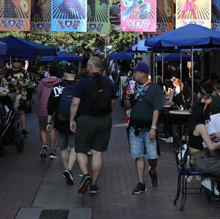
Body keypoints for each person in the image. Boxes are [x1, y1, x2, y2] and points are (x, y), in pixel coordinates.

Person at [185, 99, 220, 209]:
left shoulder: (193, 124)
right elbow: (211, 146)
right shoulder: (201, 126)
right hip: (201, 159)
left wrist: (217, 135)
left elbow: (200, 138)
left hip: (197, 157)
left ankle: (211, 180)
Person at [69, 56, 114, 195]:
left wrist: (72, 119)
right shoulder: (109, 82)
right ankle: (94, 185)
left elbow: (75, 103)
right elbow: (113, 103)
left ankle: (85, 174)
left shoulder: (82, 83)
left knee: (81, 150)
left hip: (85, 119)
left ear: (89, 67)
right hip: (104, 120)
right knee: (97, 152)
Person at [123, 62, 164, 195]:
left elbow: (157, 109)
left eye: (136, 72)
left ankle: (152, 170)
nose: (134, 74)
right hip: (135, 127)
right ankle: (141, 183)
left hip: (148, 127)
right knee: (138, 155)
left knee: (152, 157)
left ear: (143, 74)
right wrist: (128, 95)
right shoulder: (132, 86)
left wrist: (153, 127)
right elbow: (128, 106)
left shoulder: (154, 88)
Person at [47, 69, 78, 185]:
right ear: (75, 76)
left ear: (65, 75)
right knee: (74, 146)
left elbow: (50, 106)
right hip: (74, 121)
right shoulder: (78, 87)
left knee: (63, 147)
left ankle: (66, 168)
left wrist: (49, 123)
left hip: (60, 121)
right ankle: (69, 169)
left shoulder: (57, 87)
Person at [35, 65, 61, 159]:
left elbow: (38, 96)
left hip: (42, 108)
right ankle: (52, 151)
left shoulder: (42, 82)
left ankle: (44, 144)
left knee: (42, 128)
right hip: (54, 108)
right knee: (52, 129)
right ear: (58, 72)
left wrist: (37, 108)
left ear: (49, 72)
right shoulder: (60, 82)